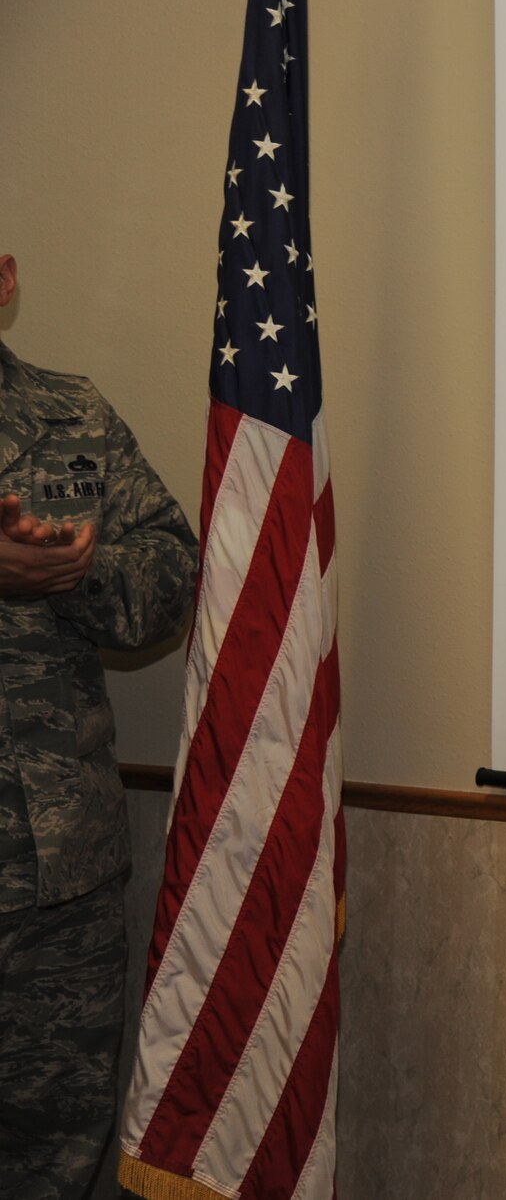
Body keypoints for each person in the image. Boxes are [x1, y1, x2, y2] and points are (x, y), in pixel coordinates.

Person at [0, 251, 198, 1200]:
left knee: (54, 1158)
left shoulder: (70, 418)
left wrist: (81, 577)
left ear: (4, 282)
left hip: (58, 886)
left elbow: (173, 571)